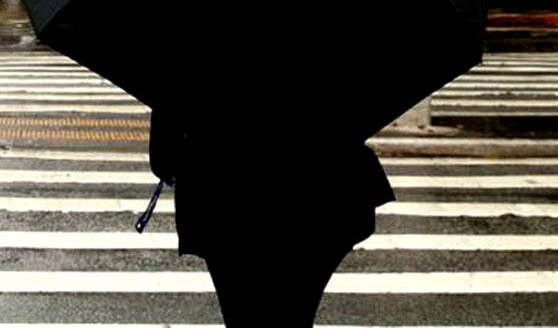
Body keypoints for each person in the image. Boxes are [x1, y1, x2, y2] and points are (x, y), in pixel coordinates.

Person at [148, 112, 393, 327]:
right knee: (297, 312)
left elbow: (164, 154)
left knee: (242, 312)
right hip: (322, 194)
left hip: (226, 196)